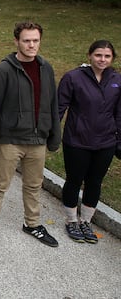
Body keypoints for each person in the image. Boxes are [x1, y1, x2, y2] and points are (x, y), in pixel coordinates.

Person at [0, 22, 61, 250]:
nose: (31, 45)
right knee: (0, 184)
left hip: (37, 140)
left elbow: (53, 104)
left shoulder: (46, 68)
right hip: (10, 140)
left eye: (35, 40)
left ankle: (32, 223)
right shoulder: (4, 70)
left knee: (34, 185)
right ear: (17, 41)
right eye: (26, 40)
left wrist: (54, 135)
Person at [58, 40, 121, 244]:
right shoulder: (73, 77)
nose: (102, 59)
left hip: (105, 143)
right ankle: (71, 220)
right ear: (89, 55)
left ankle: (85, 221)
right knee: (74, 180)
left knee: (95, 182)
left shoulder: (117, 80)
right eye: (98, 55)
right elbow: (60, 107)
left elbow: (119, 113)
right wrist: (49, 134)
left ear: (112, 59)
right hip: (77, 141)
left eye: (107, 56)